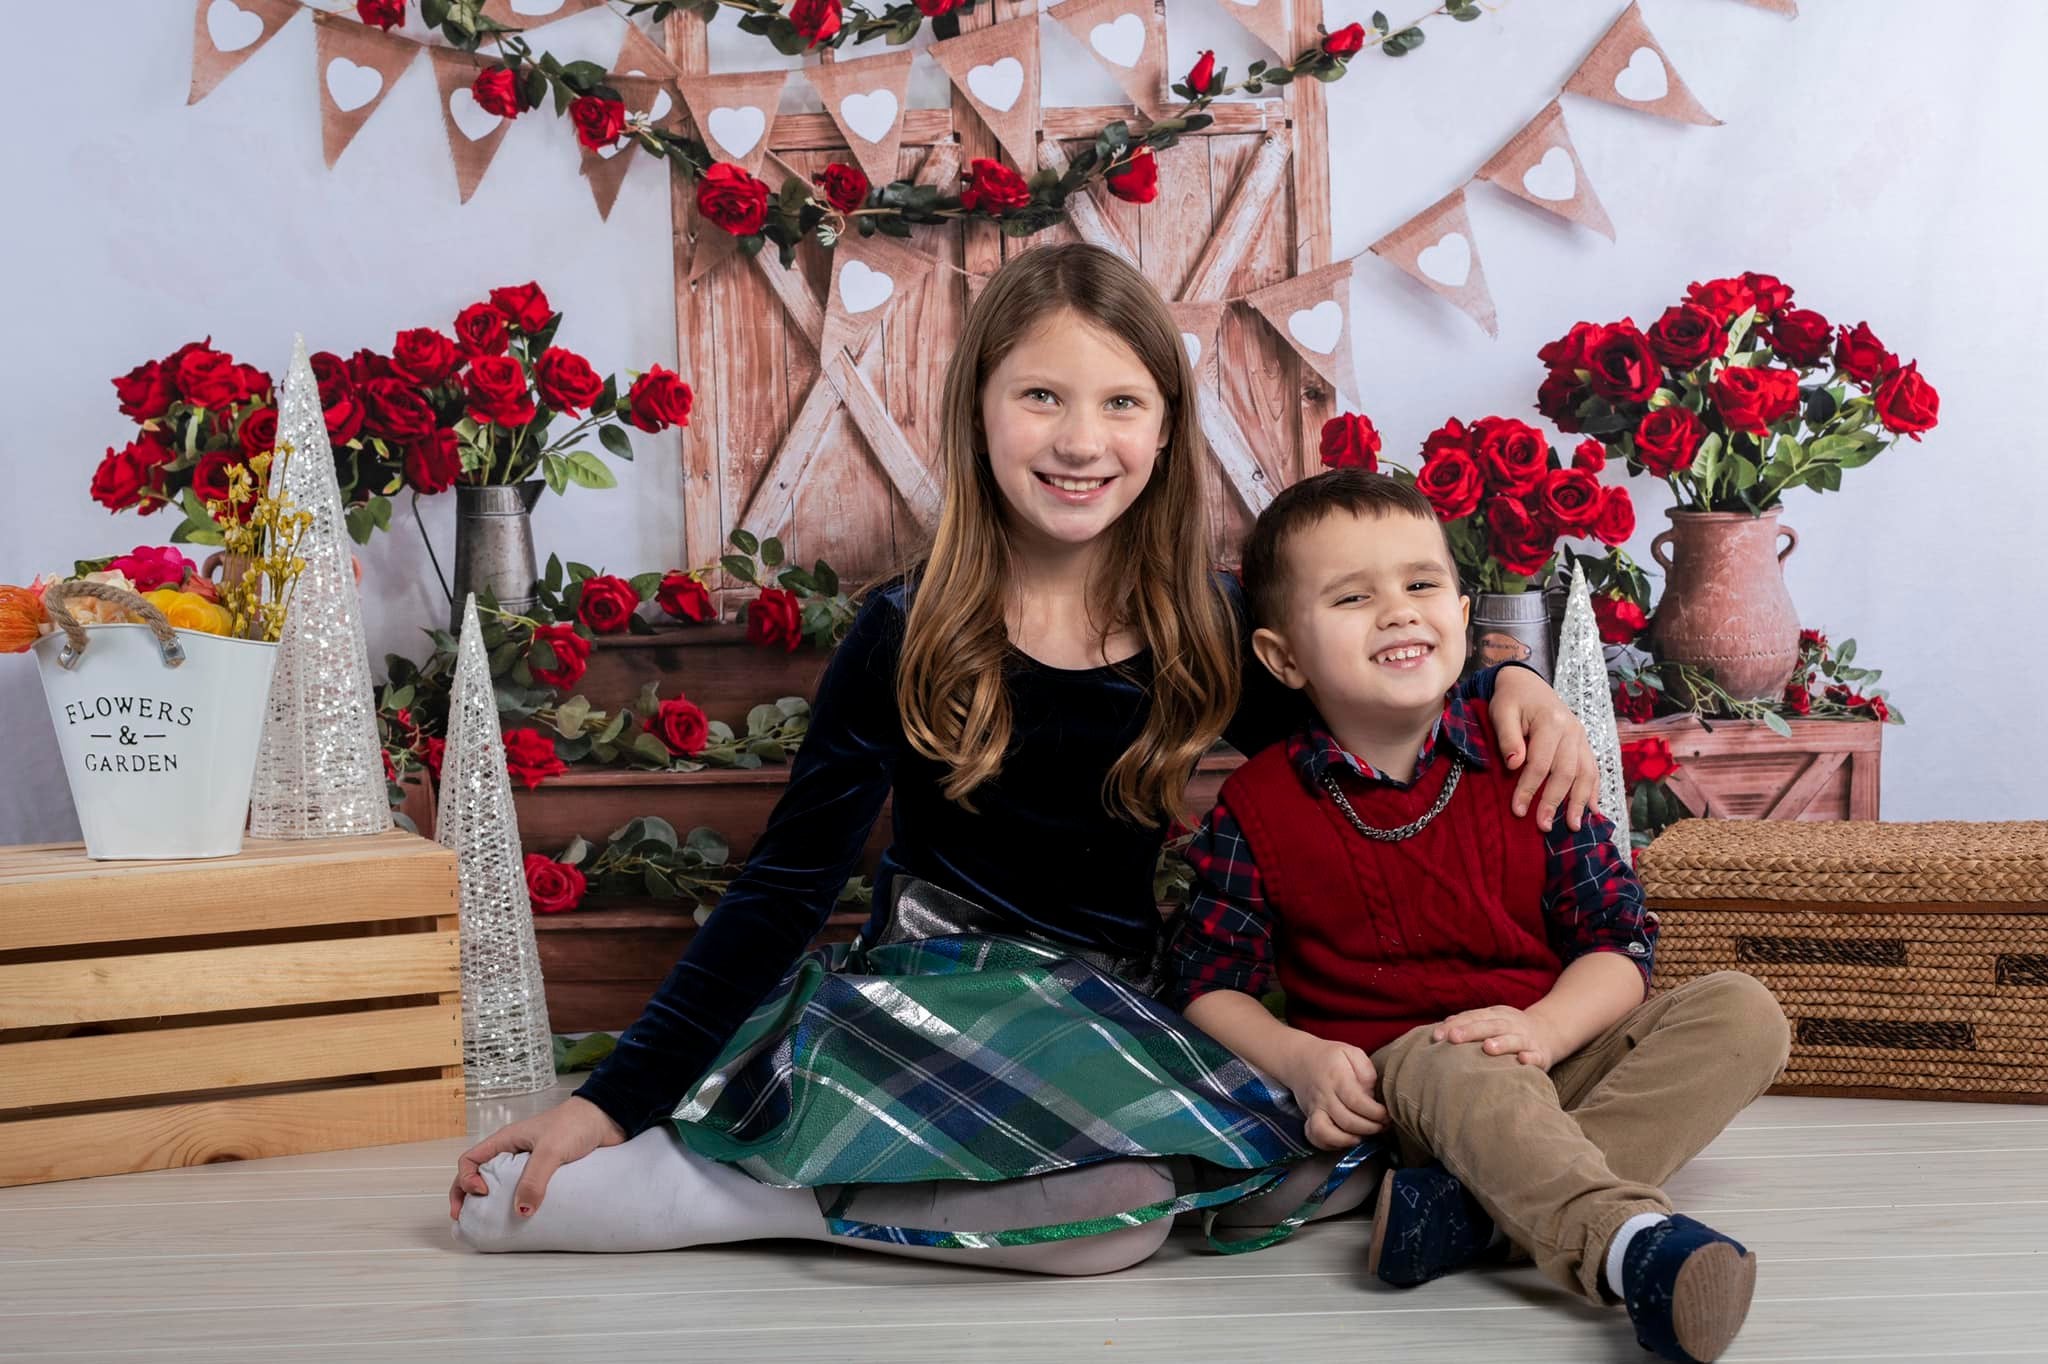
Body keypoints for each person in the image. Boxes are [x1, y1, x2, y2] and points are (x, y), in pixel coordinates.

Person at [448, 244, 1600, 1276]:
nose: (1079, 439)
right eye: (1040, 396)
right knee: (1125, 1226)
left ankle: (840, 1187)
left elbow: (1366, 710)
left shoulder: (1201, 622)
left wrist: (1507, 675)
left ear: (1162, 426)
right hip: (937, 993)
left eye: (1119, 403)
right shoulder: (904, 629)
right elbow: (783, 886)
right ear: (979, 410)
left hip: (1124, 1003)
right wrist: (609, 1100)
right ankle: (740, 1186)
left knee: (1235, 1176)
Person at [1167, 468, 1792, 1358]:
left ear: (1465, 617)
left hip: (1552, 1044)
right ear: (1283, 658)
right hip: (1414, 1082)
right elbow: (1205, 981)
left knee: (1742, 1012)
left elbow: (1618, 946)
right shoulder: (1259, 807)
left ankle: (1470, 1217)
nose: (1397, 611)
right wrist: (1300, 1060)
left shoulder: (1530, 762)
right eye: (1352, 596)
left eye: (1421, 584)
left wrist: (1542, 1032)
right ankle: (1631, 1247)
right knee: (1457, 1056)